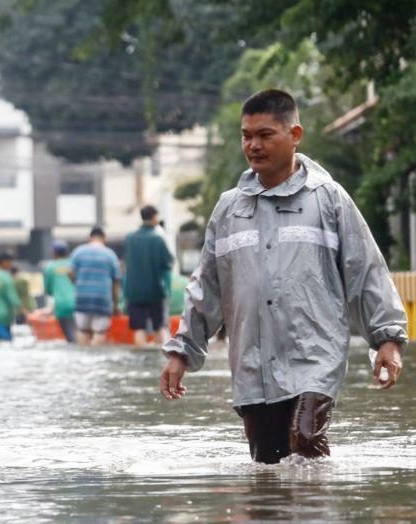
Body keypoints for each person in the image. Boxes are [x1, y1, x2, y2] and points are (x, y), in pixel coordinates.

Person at [160, 88, 408, 464]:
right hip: (253, 363)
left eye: (265, 135)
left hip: (314, 356)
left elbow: (365, 269)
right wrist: (182, 352)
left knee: (305, 438)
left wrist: (387, 338)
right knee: (267, 465)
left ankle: (317, 516)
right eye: (246, 136)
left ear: (294, 136)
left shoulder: (328, 199)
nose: (254, 145)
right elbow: (206, 288)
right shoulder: (229, 209)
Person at [124, 205, 174, 346]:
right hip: (155, 290)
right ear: (154, 217)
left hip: (133, 291)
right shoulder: (158, 238)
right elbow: (168, 262)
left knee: (139, 328)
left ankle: (140, 359)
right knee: (159, 327)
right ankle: (158, 358)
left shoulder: (130, 238)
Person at [69, 227, 121, 346]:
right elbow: (116, 281)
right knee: (100, 332)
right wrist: (115, 303)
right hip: (102, 298)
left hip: (82, 297)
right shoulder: (110, 255)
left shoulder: (78, 252)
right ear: (104, 238)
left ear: (89, 237)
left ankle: (83, 358)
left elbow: (70, 272)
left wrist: (76, 283)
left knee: (82, 330)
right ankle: (96, 357)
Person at [42, 240, 78, 343]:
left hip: (62, 305)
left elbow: (48, 290)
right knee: (82, 335)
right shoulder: (73, 264)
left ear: (54, 253)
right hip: (80, 303)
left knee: (71, 338)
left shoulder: (49, 267)